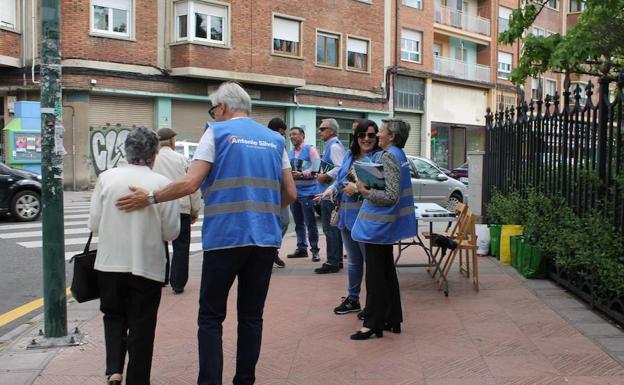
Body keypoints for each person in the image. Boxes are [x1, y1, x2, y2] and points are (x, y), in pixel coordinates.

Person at [115, 81, 296, 385]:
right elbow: (290, 193)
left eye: (214, 109)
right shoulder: (275, 140)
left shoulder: (217, 132)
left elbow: (190, 183)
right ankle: (244, 380)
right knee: (251, 317)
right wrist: (261, 208)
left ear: (222, 107)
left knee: (211, 318)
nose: (214, 114)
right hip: (264, 240)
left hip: (225, 238)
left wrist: (149, 197)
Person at [89, 127, 180, 385]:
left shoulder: (106, 179)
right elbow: (172, 232)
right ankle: (138, 379)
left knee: (113, 316)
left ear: (126, 151)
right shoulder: (163, 185)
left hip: (109, 264)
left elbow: (94, 225)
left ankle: (114, 371)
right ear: (154, 154)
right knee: (142, 325)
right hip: (147, 267)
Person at [350, 119, 417, 340]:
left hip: (378, 226)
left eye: (382, 131)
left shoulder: (389, 156)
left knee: (376, 276)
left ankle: (372, 324)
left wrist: (363, 189)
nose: (378, 135)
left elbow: (390, 196)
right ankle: (392, 319)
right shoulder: (399, 154)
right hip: (385, 225)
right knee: (387, 273)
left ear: (392, 136)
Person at [317, 120, 380, 313]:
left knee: (370, 264)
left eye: (371, 135)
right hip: (346, 216)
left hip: (365, 220)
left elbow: (376, 190)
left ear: (377, 136)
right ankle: (353, 299)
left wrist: (358, 190)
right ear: (356, 137)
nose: (366, 139)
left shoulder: (377, 157)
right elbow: (342, 178)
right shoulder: (350, 155)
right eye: (362, 135)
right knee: (353, 261)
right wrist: (331, 189)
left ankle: (373, 304)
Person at [153, 127, 202, 294]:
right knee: (181, 246)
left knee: (159, 244)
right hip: (181, 208)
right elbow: (193, 186)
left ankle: (161, 278)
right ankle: (178, 283)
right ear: (173, 142)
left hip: (158, 208)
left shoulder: (152, 160)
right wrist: (195, 210)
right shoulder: (182, 160)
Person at [314, 119, 346, 274]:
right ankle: (336, 260)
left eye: (323, 129)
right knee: (334, 228)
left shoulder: (334, 146)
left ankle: (332, 261)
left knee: (330, 229)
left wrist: (325, 176)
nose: (320, 131)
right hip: (329, 193)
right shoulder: (331, 146)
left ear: (332, 131)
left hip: (330, 195)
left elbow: (341, 168)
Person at [287, 126, 321, 262]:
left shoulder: (310, 150)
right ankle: (301, 248)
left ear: (302, 135)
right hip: (294, 193)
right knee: (298, 223)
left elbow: (317, 168)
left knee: (310, 223)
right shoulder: (290, 153)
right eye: (290, 135)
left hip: (308, 193)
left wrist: (303, 173)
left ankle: (315, 250)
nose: (292, 137)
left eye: (294, 134)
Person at [267, 117, 290, 268]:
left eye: (283, 134)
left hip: (280, 193)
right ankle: (268, 252)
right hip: (267, 194)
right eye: (281, 133)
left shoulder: (281, 147)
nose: (282, 137)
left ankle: (272, 249)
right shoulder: (266, 146)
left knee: (284, 222)